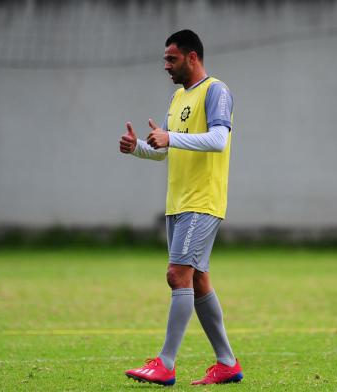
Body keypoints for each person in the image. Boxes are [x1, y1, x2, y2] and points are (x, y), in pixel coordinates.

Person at [119, 29, 243, 386]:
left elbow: (219, 140)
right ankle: (227, 363)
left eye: (171, 59)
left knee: (178, 275)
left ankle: (166, 363)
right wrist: (140, 147)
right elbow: (166, 150)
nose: (166, 66)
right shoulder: (177, 97)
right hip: (179, 202)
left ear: (192, 57)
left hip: (202, 200)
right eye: (165, 59)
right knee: (198, 280)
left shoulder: (216, 90)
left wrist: (171, 137)